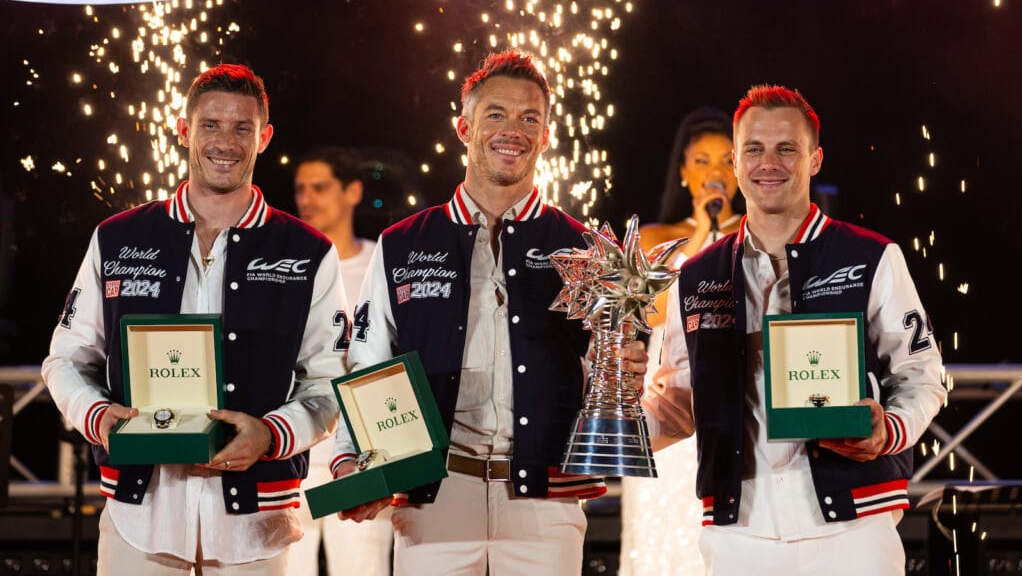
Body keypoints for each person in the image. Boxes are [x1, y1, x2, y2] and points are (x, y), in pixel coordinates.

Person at [331, 49, 649, 576]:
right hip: (434, 497)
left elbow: (614, 370)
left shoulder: (587, 249)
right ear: (464, 127)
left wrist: (628, 369)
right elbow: (368, 362)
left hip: (544, 505)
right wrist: (352, 458)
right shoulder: (403, 243)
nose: (513, 130)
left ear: (546, 136)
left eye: (531, 119)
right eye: (496, 115)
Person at [42, 63, 347, 575]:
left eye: (242, 128)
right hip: (139, 516)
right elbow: (65, 359)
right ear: (184, 129)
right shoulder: (117, 238)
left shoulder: (308, 251)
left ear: (264, 137)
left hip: (257, 524)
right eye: (210, 125)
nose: (225, 142)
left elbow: (329, 380)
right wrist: (98, 417)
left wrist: (270, 435)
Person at [642, 84, 945, 574]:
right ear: (737, 163)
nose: (770, 163)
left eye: (787, 149)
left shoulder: (870, 256)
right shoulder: (696, 274)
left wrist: (886, 430)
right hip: (737, 533)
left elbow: (922, 374)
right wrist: (605, 421)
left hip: (852, 529)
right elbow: (678, 399)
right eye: (754, 150)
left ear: (815, 159)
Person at [620, 106, 741, 576]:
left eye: (724, 160)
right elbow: (652, 312)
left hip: (730, 396)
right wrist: (700, 238)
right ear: (684, 171)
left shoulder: (758, 237)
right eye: (702, 161)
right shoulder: (657, 238)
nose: (714, 172)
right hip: (666, 400)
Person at [290, 146, 391, 576]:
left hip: (364, 452)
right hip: (294, 452)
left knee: (362, 568)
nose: (307, 199)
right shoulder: (286, 264)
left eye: (319, 187)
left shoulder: (382, 261)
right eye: (299, 189)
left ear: (352, 192)